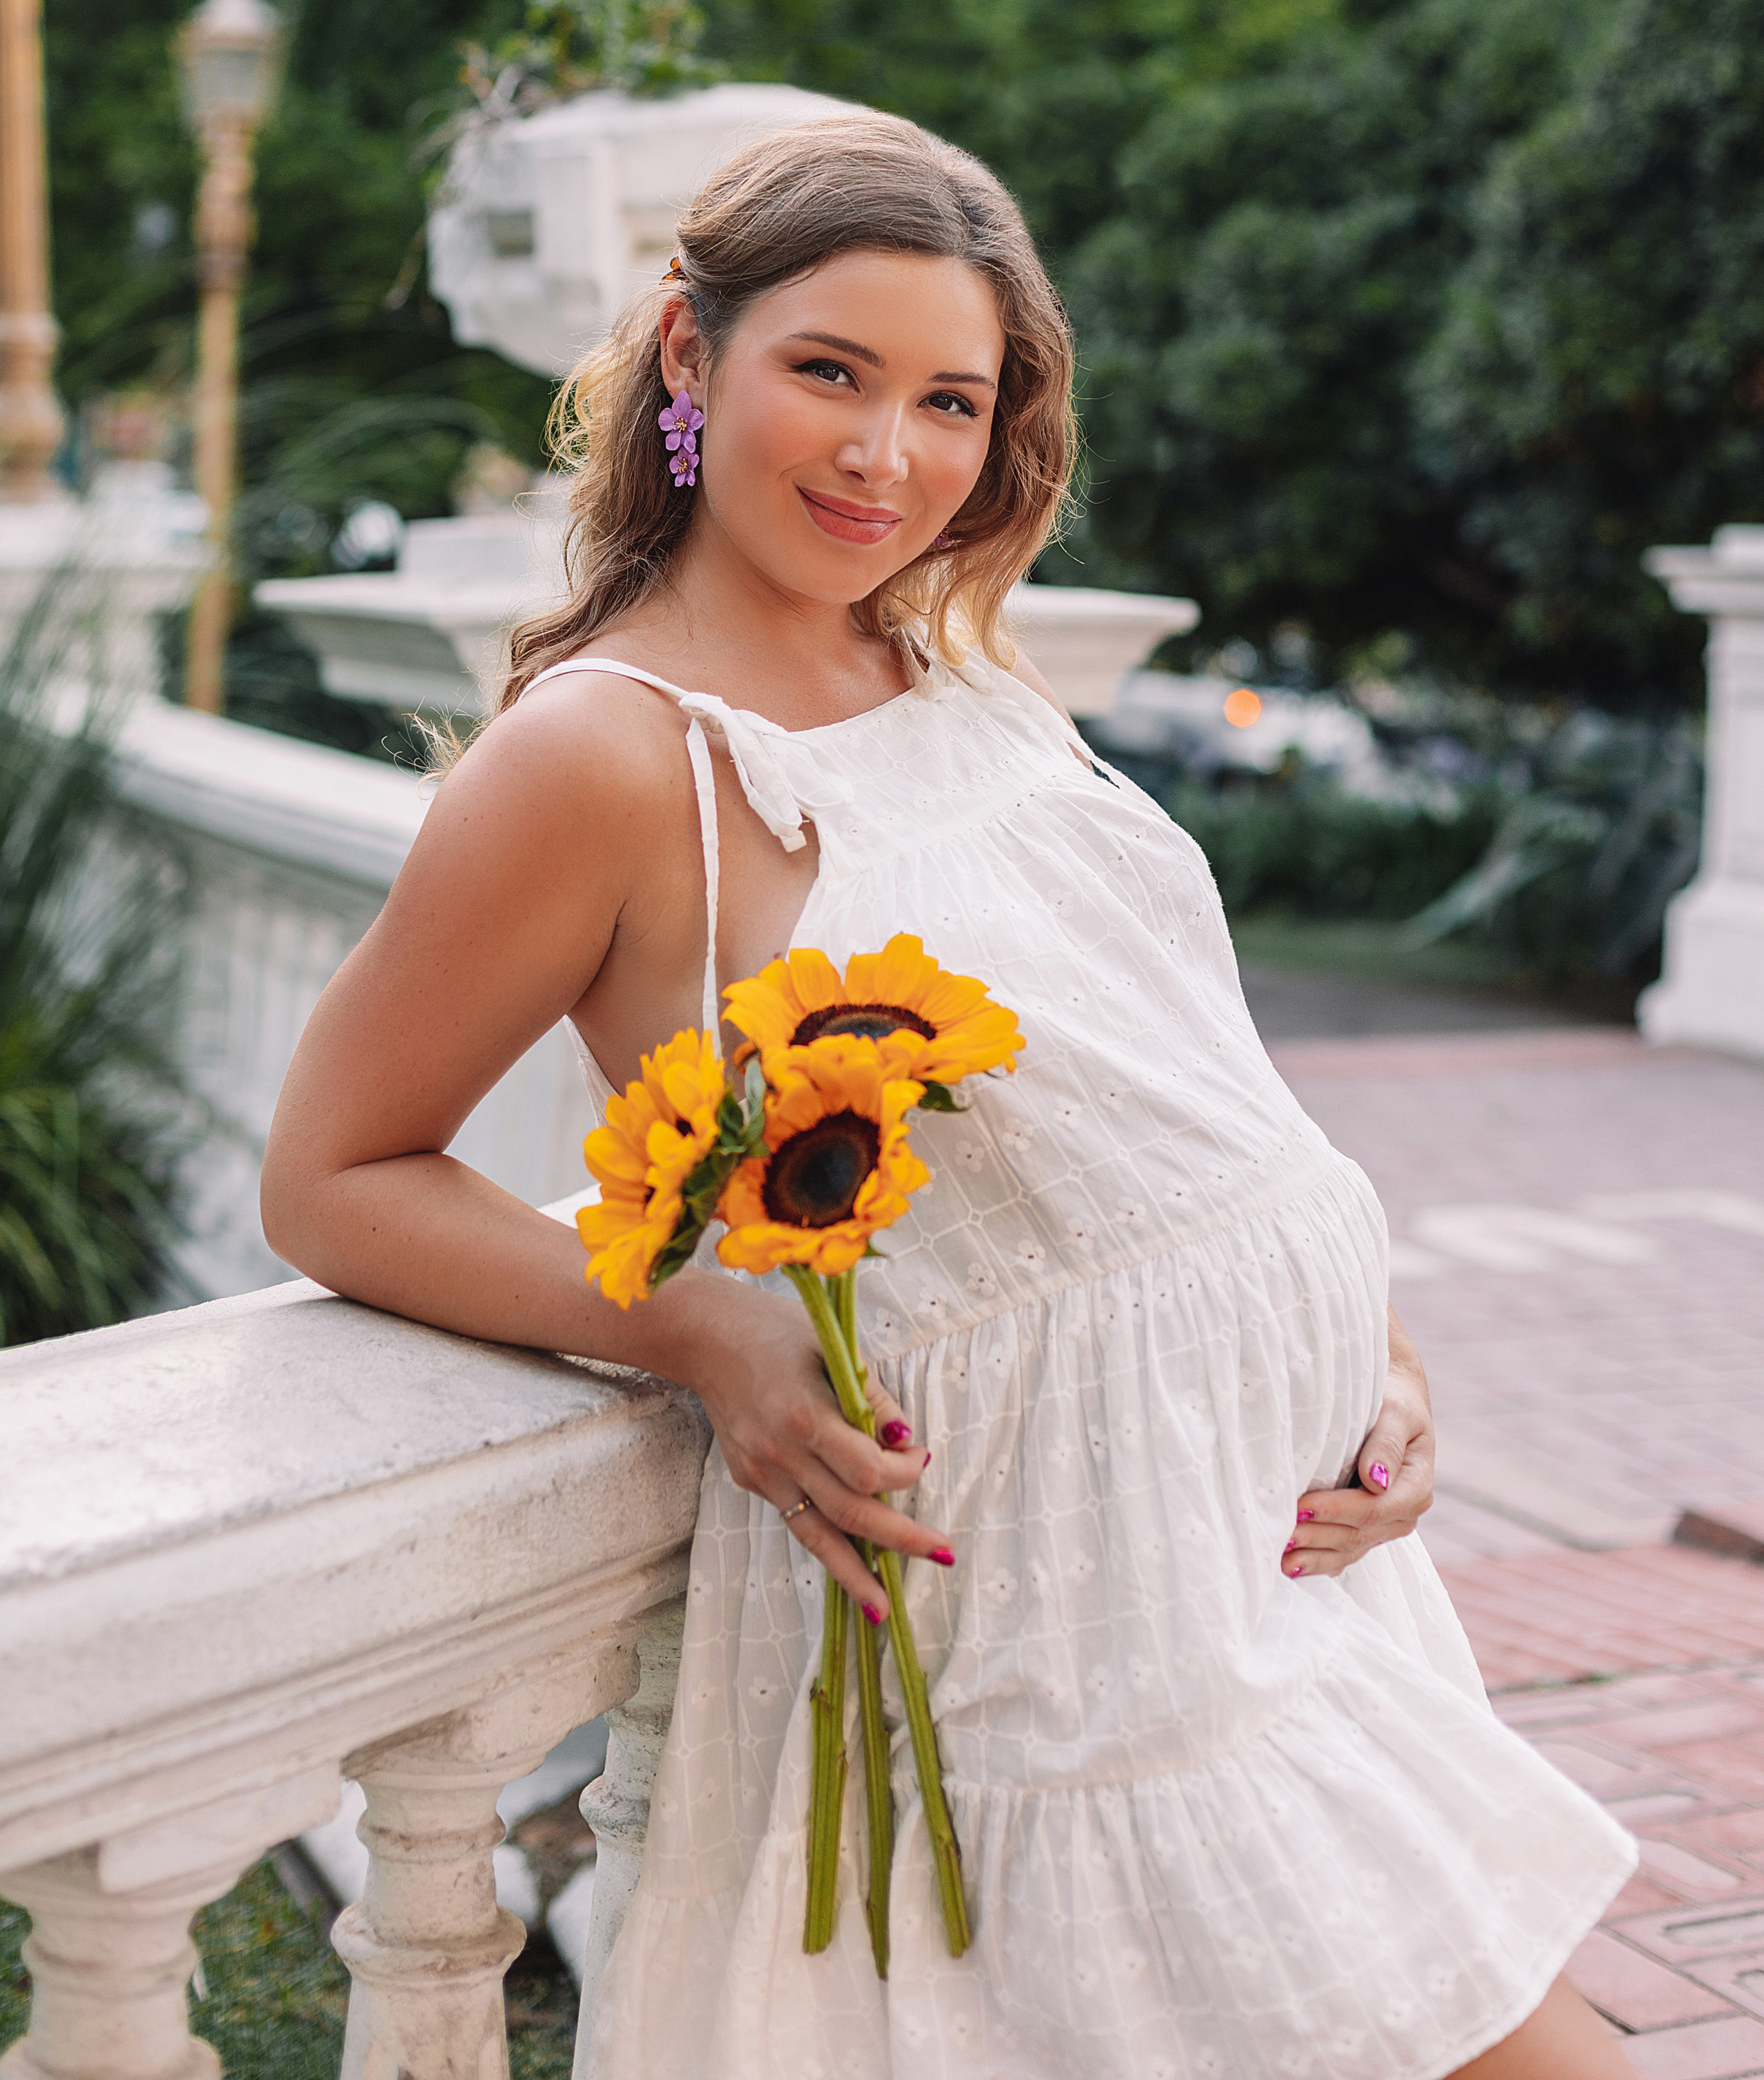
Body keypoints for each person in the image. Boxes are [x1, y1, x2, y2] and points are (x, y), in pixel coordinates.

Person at [262, 112, 1636, 2080]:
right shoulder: (609, 760)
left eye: (950, 403)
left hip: (1264, 1566)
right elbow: (333, 1173)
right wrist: (697, 1327)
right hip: (1046, 1640)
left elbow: (1171, 1094)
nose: (884, 455)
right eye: (830, 372)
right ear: (690, 355)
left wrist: (1373, 1349)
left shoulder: (959, 674)